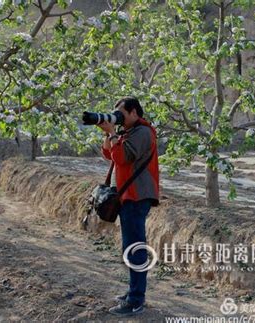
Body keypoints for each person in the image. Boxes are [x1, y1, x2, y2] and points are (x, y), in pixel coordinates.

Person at [97, 96, 159, 316]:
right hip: (127, 198)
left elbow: (122, 156)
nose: (119, 118)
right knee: (129, 248)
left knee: (135, 249)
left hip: (137, 197)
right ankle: (134, 292)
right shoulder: (129, 132)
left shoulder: (143, 132)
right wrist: (108, 133)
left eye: (121, 114)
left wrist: (113, 133)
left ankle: (136, 300)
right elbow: (109, 154)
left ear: (134, 112)